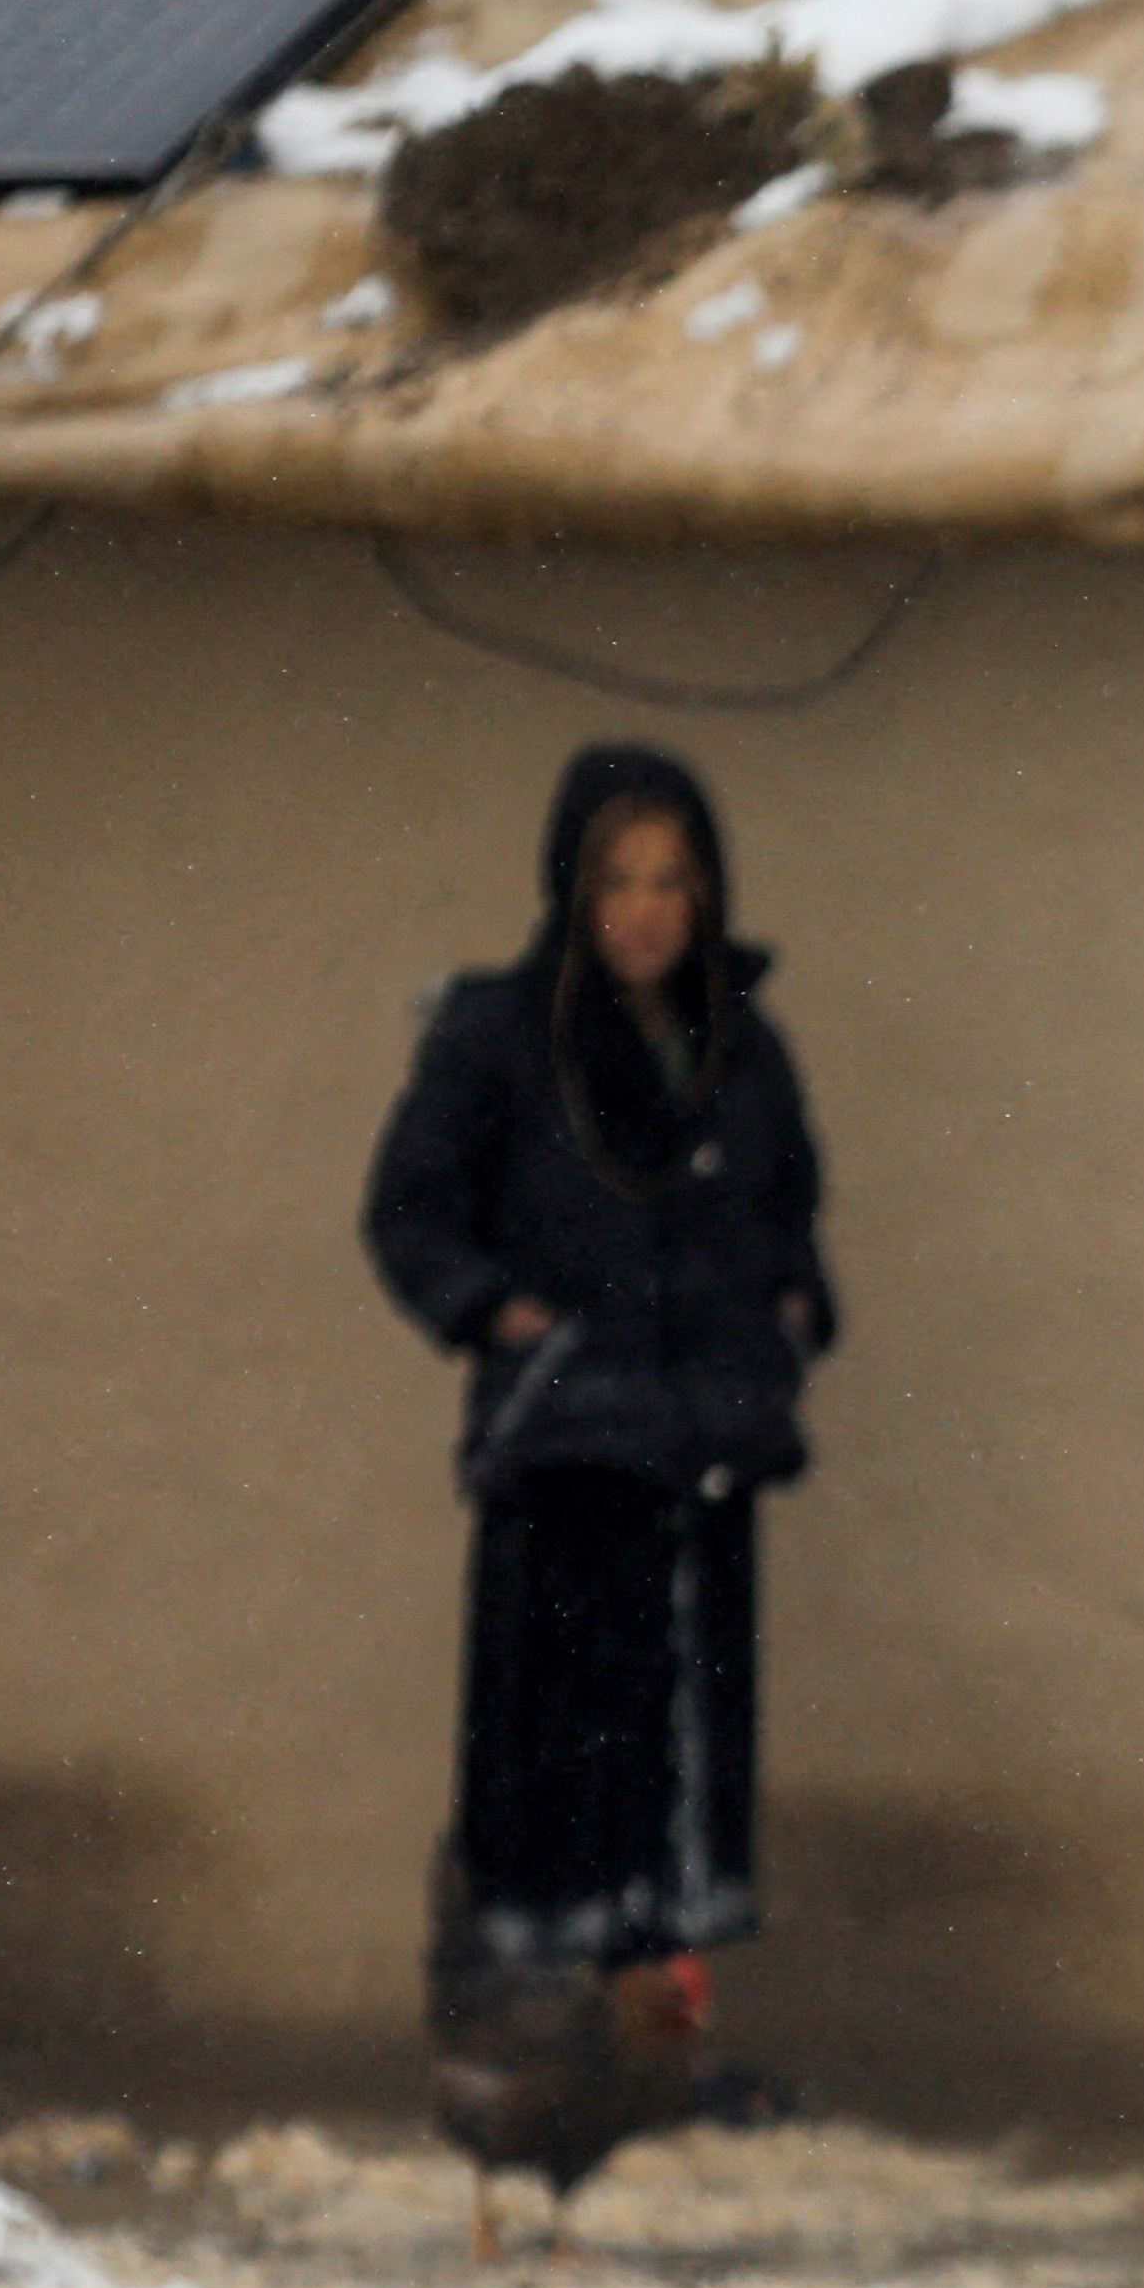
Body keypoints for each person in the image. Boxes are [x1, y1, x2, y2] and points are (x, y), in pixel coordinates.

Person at [361, 743, 834, 1984]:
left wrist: (788, 1311)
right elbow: (409, 1211)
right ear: (571, 888)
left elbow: (789, 1207)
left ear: (709, 893)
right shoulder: (499, 1039)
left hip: (705, 1441)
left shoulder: (743, 1049)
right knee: (557, 1743)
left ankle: (658, 2038)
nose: (643, 911)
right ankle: (542, 2030)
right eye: (615, 879)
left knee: (685, 1744)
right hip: (566, 1440)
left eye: (673, 881)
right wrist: (498, 1314)